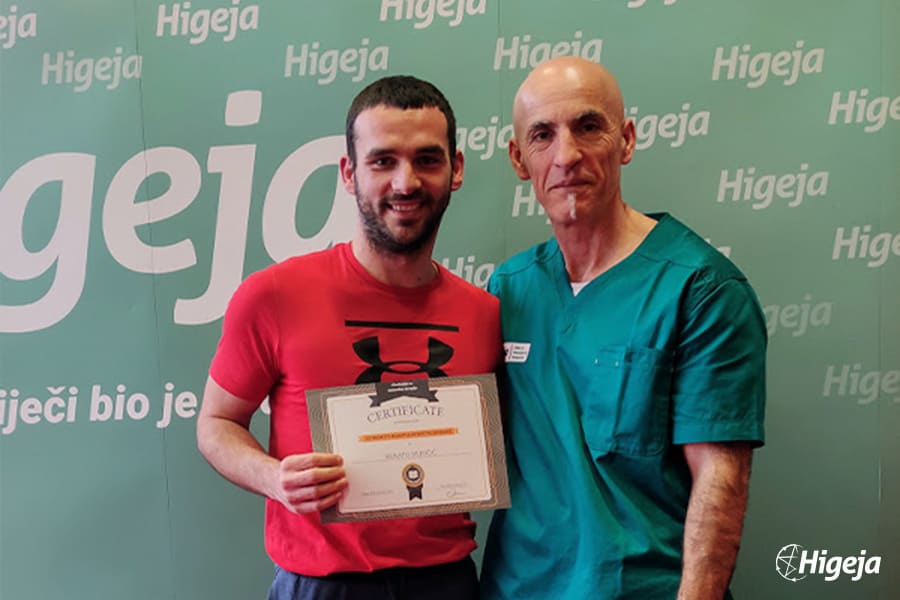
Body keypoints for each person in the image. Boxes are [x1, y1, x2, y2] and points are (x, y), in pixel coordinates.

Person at [197, 75, 501, 600]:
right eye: (383, 161)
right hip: (320, 584)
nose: (405, 182)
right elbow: (216, 423)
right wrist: (274, 479)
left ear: (456, 169)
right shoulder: (273, 295)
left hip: (447, 581)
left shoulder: (485, 313)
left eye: (427, 160)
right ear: (348, 172)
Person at [479, 57, 767, 599]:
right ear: (519, 159)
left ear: (626, 140)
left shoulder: (701, 288)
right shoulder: (509, 288)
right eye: (543, 135)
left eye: (588, 127)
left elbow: (720, 480)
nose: (567, 155)